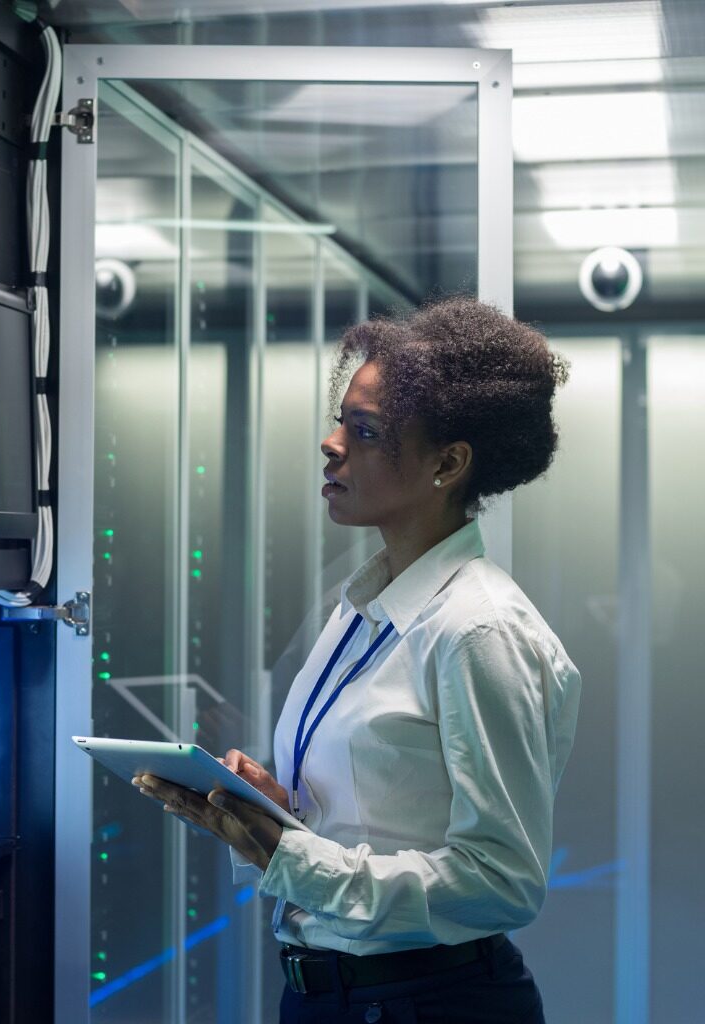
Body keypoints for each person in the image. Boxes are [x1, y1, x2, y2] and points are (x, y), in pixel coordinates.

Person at [135, 296, 581, 1024]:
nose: (331, 443)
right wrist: (273, 815)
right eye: (340, 419)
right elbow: (382, 817)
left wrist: (294, 859)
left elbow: (502, 882)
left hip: (430, 1004)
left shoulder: (479, 630)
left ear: (448, 463)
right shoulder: (364, 605)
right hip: (331, 996)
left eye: (365, 430)